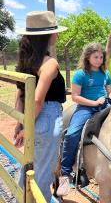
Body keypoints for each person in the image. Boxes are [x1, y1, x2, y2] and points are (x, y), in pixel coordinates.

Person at [14, 11, 67, 201]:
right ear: (48, 35)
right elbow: (37, 100)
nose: (57, 35)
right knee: (42, 178)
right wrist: (27, 127)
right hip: (47, 119)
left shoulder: (26, 62)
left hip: (31, 117)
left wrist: (20, 123)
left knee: (29, 167)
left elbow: (21, 93)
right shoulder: (50, 63)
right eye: (55, 31)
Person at [57, 43, 111, 196]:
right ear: (88, 57)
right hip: (86, 108)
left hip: (105, 105)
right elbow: (75, 97)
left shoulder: (105, 73)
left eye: (101, 57)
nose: (99, 60)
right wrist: (94, 103)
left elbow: (110, 91)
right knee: (71, 134)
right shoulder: (80, 74)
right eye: (95, 57)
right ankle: (65, 174)